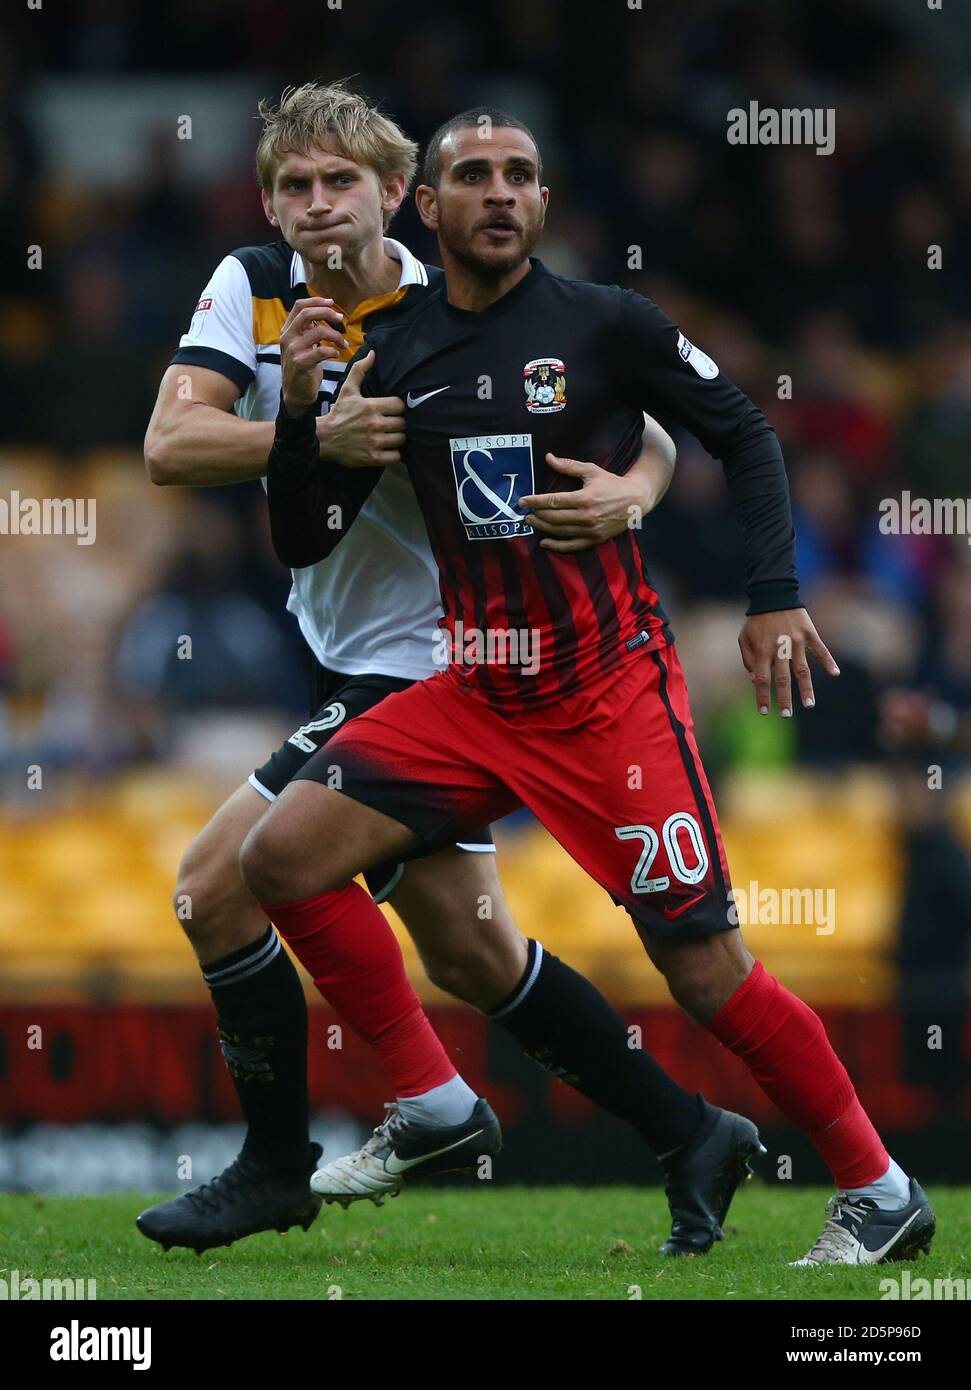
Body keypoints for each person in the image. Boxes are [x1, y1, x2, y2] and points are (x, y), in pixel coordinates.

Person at [249, 107, 936, 1266]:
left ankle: (876, 1185)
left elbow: (744, 435)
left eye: (521, 174)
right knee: (277, 859)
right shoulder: (395, 345)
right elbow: (303, 538)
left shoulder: (607, 323)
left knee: (704, 969)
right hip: (471, 695)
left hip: (608, 697)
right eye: (473, 175)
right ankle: (430, 1100)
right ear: (430, 207)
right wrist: (304, 421)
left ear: (544, 203)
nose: (500, 193)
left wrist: (771, 592)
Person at [136, 81, 761, 1257]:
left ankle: (296, 1158)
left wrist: (632, 491)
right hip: (345, 651)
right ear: (269, 205)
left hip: (442, 660)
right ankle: (688, 1130)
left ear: (394, 196)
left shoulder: (455, 293)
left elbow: (658, 414)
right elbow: (169, 445)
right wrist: (307, 433)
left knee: (214, 884)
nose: (316, 207)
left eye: (340, 183)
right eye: (292, 187)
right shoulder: (253, 287)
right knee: (473, 950)